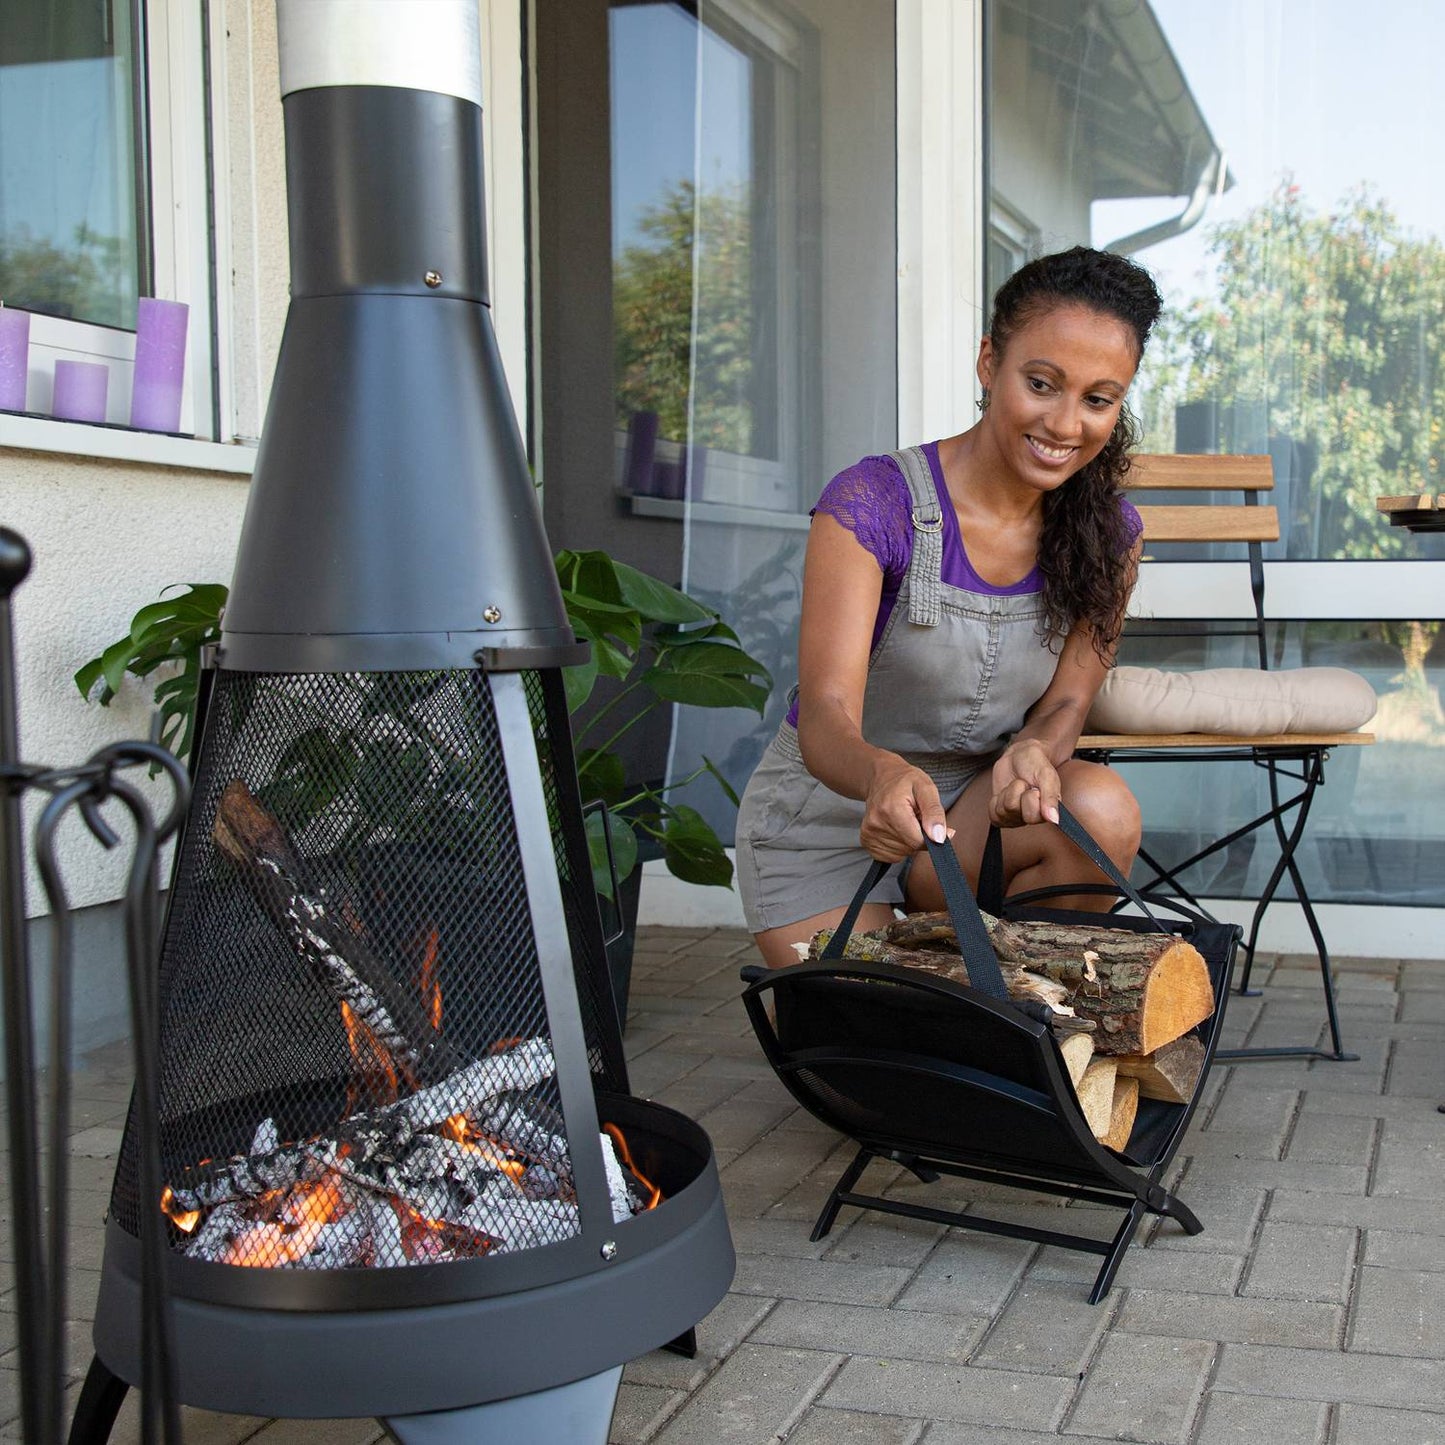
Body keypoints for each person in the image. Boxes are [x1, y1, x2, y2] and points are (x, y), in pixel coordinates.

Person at [737, 245, 1162, 968]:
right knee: (868, 1029)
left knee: (1101, 808)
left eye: (1097, 399)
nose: (1065, 425)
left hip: (972, 818)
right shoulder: (872, 503)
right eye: (1041, 384)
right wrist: (880, 774)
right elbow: (826, 712)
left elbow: (1068, 701)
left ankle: (1012, 990)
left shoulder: (1109, 534)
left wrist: (1034, 749)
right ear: (989, 363)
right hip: (828, 819)